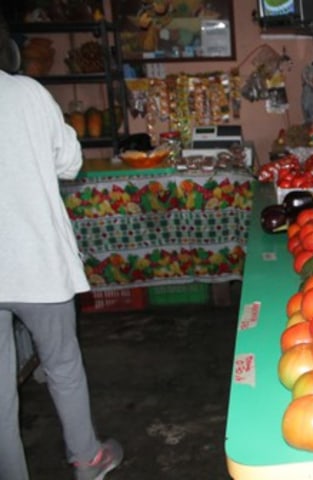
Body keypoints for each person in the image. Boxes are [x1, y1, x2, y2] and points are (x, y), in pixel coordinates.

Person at [0, 13, 123, 480]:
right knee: (62, 364)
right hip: (34, 261)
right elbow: (70, 163)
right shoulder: (27, 93)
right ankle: (87, 459)